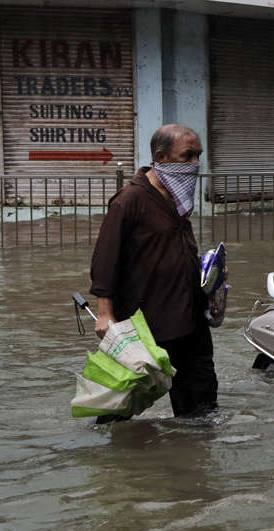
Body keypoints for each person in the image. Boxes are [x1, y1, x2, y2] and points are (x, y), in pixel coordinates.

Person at [90, 124, 219, 423]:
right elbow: (105, 259)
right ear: (161, 157)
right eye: (187, 156)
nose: (195, 164)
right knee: (115, 413)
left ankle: (192, 463)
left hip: (189, 320)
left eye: (198, 155)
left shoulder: (178, 199)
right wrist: (105, 313)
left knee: (201, 411)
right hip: (145, 324)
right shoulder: (129, 201)